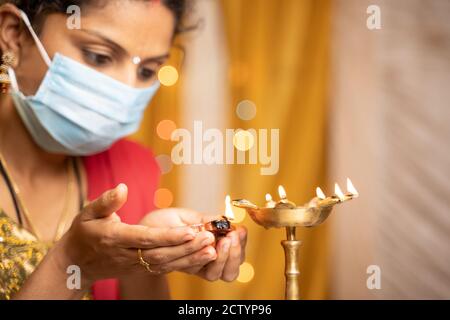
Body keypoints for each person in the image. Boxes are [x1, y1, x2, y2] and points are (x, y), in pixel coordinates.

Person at [0, 0, 247, 300]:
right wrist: (70, 264)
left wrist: (145, 258)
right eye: (99, 56)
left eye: (147, 70)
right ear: (14, 33)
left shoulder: (134, 169)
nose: (126, 89)